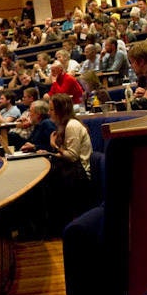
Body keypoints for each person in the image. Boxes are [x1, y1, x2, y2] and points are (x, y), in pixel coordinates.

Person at [44, 93, 93, 233]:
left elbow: (72, 156)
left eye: (52, 109)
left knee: (47, 182)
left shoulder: (72, 125)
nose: (49, 113)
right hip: (72, 170)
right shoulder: (64, 125)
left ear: (61, 110)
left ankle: (55, 227)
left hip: (80, 173)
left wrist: (54, 146)